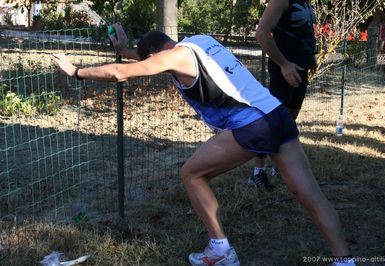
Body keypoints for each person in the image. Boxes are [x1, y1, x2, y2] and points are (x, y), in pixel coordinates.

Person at [50, 24, 355, 266]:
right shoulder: (199, 41)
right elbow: (153, 62)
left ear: (156, 55)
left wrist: (75, 71)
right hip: (276, 114)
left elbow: (120, 73)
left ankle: (220, 248)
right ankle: (345, 261)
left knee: (191, 174)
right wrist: (124, 49)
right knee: (311, 194)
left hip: (251, 125)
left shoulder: (173, 57)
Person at [248, 0, 318, 191]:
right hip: (284, 69)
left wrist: (310, 56)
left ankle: (279, 165)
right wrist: (284, 65)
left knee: (290, 119)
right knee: (272, 121)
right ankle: (257, 173)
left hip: (301, 68)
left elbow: (303, 31)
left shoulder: (306, 1)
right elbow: (262, 33)